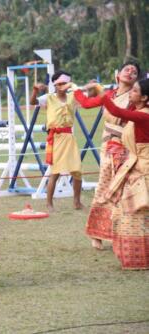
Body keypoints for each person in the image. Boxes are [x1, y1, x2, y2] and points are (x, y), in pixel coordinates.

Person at [73, 61, 140, 250]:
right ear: (118, 74)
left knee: (123, 190)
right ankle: (96, 234)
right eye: (127, 69)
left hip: (127, 147)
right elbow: (86, 103)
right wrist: (77, 88)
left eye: (134, 72)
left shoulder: (137, 98)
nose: (130, 72)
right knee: (103, 187)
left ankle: (122, 233)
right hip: (107, 147)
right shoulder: (109, 95)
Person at [98, 78, 149, 270]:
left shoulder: (143, 116)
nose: (131, 93)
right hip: (135, 166)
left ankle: (140, 259)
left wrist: (101, 95)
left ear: (144, 97)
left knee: (136, 214)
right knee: (125, 213)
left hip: (143, 170)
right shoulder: (138, 113)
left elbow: (117, 111)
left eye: (135, 91)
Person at [30, 70, 84, 212]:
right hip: (56, 138)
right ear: (55, 85)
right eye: (60, 83)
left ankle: (77, 202)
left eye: (66, 83)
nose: (63, 86)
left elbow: (85, 97)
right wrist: (35, 91)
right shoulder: (48, 98)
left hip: (69, 137)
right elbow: (33, 102)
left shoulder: (73, 97)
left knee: (77, 170)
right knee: (55, 172)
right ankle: (49, 203)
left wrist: (75, 86)